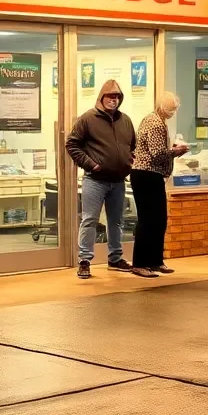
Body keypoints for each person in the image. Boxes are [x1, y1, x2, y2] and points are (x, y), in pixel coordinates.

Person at [65, 80, 136, 279]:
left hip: (118, 181)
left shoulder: (126, 121)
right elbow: (72, 145)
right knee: (89, 220)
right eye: (110, 96)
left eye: (117, 97)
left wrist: (128, 162)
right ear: (101, 97)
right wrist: (91, 164)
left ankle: (115, 258)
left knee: (116, 222)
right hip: (94, 180)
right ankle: (85, 261)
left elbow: (133, 146)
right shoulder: (88, 118)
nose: (113, 100)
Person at [131, 92, 189, 276]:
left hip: (153, 175)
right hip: (146, 174)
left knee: (159, 220)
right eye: (171, 109)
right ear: (162, 107)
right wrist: (176, 151)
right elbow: (157, 153)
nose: (173, 112)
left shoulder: (159, 120)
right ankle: (140, 263)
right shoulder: (154, 122)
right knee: (148, 220)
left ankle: (155, 261)